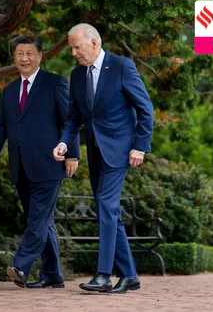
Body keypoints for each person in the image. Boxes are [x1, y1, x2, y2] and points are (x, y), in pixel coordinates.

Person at [53, 23, 154, 294]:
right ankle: (130, 275)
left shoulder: (121, 66)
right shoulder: (77, 75)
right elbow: (74, 117)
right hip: (95, 152)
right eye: (71, 47)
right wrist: (64, 142)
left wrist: (139, 146)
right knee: (108, 211)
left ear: (94, 43)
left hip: (120, 150)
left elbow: (145, 109)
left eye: (77, 46)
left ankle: (103, 275)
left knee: (107, 207)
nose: (73, 52)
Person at [0, 35, 80, 289]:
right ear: (14, 58)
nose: (24, 58)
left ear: (40, 56)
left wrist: (72, 154)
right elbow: (1, 125)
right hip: (21, 167)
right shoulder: (10, 90)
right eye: (19, 54)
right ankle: (52, 275)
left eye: (29, 53)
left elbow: (70, 120)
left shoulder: (55, 83)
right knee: (41, 221)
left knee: (38, 219)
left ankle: (21, 266)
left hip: (49, 163)